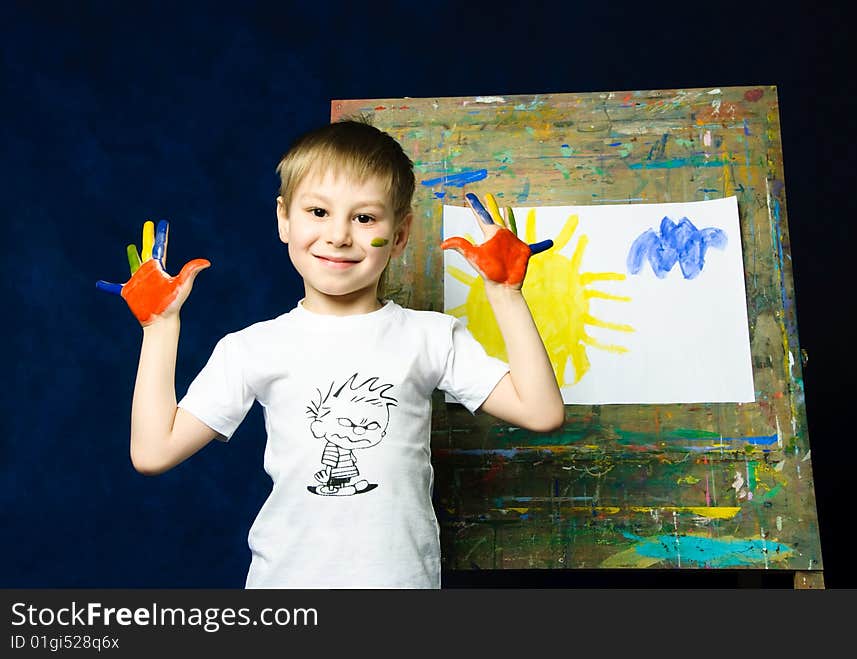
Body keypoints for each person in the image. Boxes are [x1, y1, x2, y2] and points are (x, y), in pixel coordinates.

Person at [96, 118, 564, 588]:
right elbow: (153, 452)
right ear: (284, 218)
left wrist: (505, 293)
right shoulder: (252, 347)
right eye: (318, 212)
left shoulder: (430, 336)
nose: (339, 235)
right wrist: (159, 327)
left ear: (399, 235)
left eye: (364, 218)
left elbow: (541, 412)